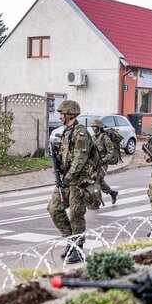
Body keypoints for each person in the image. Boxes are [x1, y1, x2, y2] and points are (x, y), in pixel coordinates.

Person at [47, 100, 99, 264]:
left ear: (70, 114)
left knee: (76, 214)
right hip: (66, 179)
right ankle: (70, 241)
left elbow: (80, 158)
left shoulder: (80, 132)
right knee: (54, 209)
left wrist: (69, 177)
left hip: (78, 181)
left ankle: (78, 249)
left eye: (62, 113)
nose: (60, 116)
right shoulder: (66, 132)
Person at [91, 119, 119, 205]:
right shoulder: (93, 137)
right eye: (92, 127)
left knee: (97, 180)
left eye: (95, 127)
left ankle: (97, 200)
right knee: (97, 181)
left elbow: (111, 151)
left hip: (103, 163)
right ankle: (112, 193)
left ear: (99, 127)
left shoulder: (105, 137)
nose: (93, 128)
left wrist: (105, 160)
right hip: (94, 163)